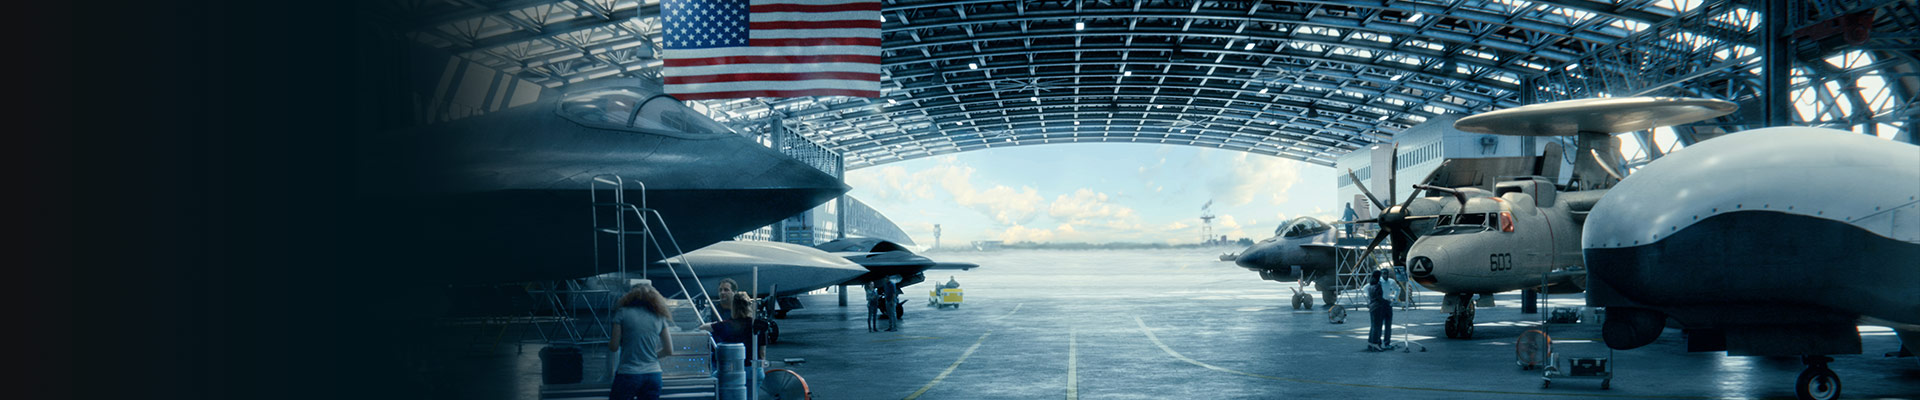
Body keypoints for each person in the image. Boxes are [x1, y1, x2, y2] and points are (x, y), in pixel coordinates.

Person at [610, 284, 674, 400]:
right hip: (653, 374)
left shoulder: (622, 313)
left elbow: (614, 346)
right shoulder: (659, 316)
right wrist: (651, 356)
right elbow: (669, 350)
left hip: (628, 373)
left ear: (629, 296)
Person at [700, 293, 769, 396]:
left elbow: (703, 327)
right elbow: (762, 353)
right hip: (754, 369)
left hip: (734, 371)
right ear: (749, 306)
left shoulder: (727, 325)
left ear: (733, 307)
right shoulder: (758, 325)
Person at [1366, 269, 1395, 351]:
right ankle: (1376, 343)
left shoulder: (1371, 285)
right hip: (1378, 307)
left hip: (1372, 307)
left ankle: (1370, 342)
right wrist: (1387, 301)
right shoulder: (1378, 286)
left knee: (1373, 326)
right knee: (1377, 326)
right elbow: (1379, 298)